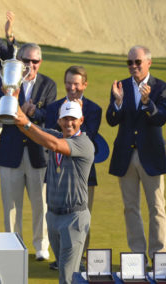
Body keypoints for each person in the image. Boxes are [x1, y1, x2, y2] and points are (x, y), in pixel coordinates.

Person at [15, 99, 94, 284]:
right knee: (64, 271)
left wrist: (26, 123)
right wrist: (14, 98)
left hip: (74, 217)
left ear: (81, 120)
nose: (69, 123)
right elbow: (26, 128)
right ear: (59, 120)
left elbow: (54, 145)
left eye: (73, 119)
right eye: (65, 119)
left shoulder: (84, 143)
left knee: (67, 276)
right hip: (53, 217)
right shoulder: (55, 136)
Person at [106, 45, 166, 263]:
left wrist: (147, 103)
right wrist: (117, 102)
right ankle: (137, 256)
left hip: (151, 156)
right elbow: (111, 119)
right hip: (125, 156)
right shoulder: (120, 86)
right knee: (130, 207)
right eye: (129, 62)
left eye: (137, 62)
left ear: (149, 62)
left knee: (157, 207)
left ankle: (159, 256)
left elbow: (160, 118)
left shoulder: (162, 88)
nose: (133, 66)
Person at [0, 42, 56, 261]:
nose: (30, 65)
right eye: (26, 60)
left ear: (40, 62)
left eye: (35, 61)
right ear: (19, 61)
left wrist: (34, 112)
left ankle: (41, 245)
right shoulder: (5, 81)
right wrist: (19, 109)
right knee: (11, 204)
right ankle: (13, 245)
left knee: (41, 203)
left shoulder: (49, 84)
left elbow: (50, 115)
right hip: (10, 151)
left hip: (38, 153)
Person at [45, 65, 101, 270]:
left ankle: (81, 258)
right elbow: (53, 135)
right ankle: (61, 257)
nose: (72, 87)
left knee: (80, 215)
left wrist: (79, 113)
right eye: (69, 83)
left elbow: (87, 138)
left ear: (84, 84)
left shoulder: (94, 109)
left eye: (76, 83)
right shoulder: (54, 108)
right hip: (56, 173)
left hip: (81, 175)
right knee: (56, 213)